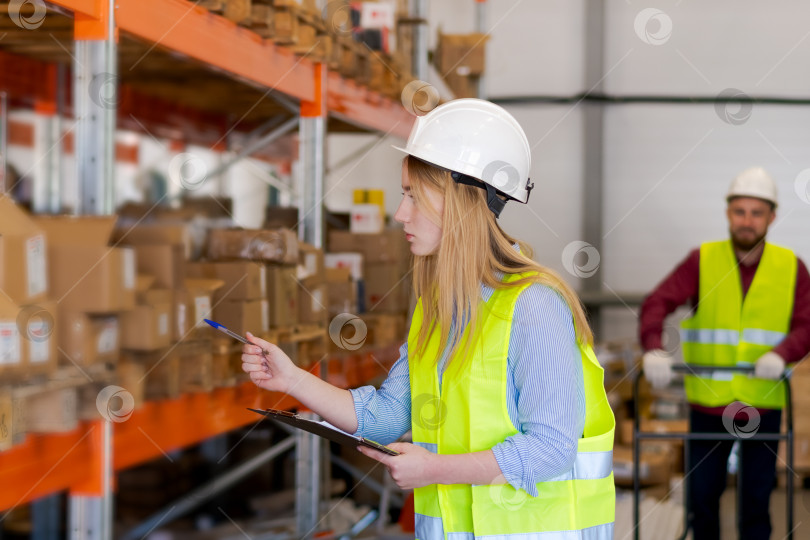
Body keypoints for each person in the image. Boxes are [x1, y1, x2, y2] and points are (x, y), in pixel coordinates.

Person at [242, 99, 615, 539]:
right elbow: (386, 416)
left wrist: (434, 468)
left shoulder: (533, 305)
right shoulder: (439, 308)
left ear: (460, 200)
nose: (401, 213)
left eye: (413, 195)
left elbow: (551, 448)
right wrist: (292, 381)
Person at [640, 166, 810, 540]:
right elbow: (656, 303)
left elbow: (806, 324)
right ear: (728, 213)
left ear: (772, 216)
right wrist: (653, 348)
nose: (747, 221)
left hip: (760, 406)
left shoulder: (791, 267)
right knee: (702, 501)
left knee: (756, 503)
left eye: (756, 212)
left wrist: (782, 354)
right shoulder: (702, 260)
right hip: (708, 405)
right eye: (739, 211)